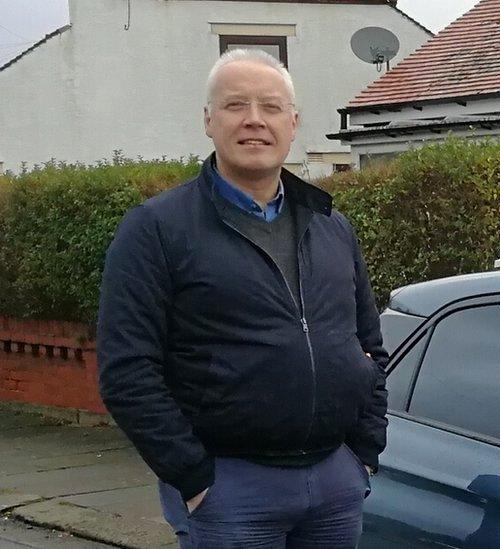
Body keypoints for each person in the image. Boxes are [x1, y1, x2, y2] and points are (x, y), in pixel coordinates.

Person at [97, 48, 388, 548]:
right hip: (228, 489)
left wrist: (363, 448)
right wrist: (191, 476)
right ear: (208, 120)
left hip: (335, 483)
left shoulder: (331, 226)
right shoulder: (157, 230)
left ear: (294, 123)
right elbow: (127, 370)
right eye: (236, 106)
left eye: (271, 107)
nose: (255, 120)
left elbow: (369, 345)